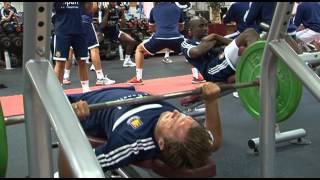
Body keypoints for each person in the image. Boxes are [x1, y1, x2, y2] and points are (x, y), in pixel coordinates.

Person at [61, 81, 222, 172]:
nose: (177, 114)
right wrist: (211, 101)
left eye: (174, 121)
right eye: (185, 117)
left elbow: (74, 171)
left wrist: (70, 123)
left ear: (161, 143)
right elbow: (214, 141)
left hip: (86, 103)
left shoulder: (132, 142)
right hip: (125, 91)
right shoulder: (188, 135)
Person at [181, 16, 260, 82]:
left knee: (252, 40)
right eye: (201, 26)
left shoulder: (213, 39)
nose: (205, 28)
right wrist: (215, 41)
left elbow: (236, 43)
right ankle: (259, 68)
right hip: (211, 71)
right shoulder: (187, 43)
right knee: (249, 33)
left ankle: (244, 72)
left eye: (206, 25)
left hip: (222, 63)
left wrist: (216, 36)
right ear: (190, 30)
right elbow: (197, 52)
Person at [126, 2, 186, 85]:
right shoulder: (177, 8)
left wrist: (160, 32)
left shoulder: (154, 9)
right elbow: (182, 27)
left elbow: (151, 28)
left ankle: (138, 78)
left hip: (159, 38)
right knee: (192, 50)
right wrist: (172, 32)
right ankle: (197, 76)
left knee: (139, 49)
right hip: (175, 37)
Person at [62, 2, 116, 86]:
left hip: (71, 21)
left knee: (71, 48)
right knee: (94, 48)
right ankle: (100, 78)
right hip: (84, 21)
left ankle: (65, 76)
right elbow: (93, 8)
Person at [53, 2, 90, 93]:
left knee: (82, 61)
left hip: (78, 30)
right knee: (60, 62)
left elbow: (88, 8)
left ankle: (86, 89)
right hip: (62, 31)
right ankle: (56, 91)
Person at [97, 2, 137, 68]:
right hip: (104, 31)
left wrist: (122, 12)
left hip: (115, 31)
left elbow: (123, 25)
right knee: (95, 44)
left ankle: (127, 61)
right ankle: (94, 63)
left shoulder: (118, 10)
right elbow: (103, 24)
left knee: (132, 41)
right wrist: (107, 12)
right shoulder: (104, 9)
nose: (114, 3)